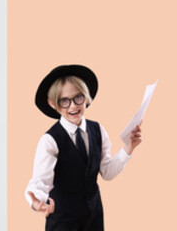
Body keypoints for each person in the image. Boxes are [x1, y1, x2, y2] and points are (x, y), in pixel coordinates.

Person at [23, 65, 143, 231]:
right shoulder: (50, 141)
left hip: (93, 217)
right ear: (53, 104)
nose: (73, 106)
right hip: (63, 221)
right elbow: (40, 181)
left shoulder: (98, 130)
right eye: (64, 101)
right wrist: (37, 201)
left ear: (86, 97)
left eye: (78, 97)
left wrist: (128, 148)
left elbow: (107, 172)